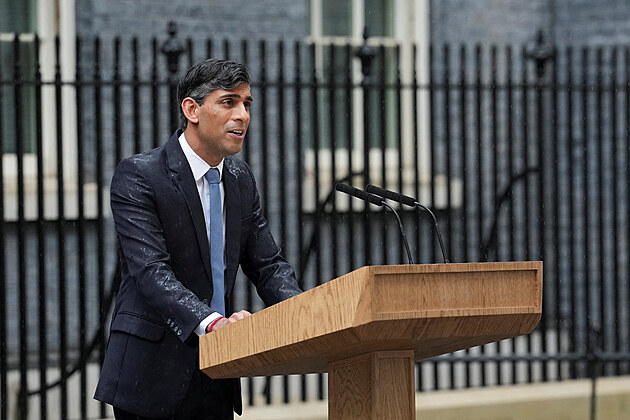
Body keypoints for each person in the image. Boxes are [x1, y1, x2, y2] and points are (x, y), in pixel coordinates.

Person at [94, 58, 302, 419]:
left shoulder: (240, 179)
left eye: (247, 104)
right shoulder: (139, 176)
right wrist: (215, 323)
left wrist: (308, 315)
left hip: (217, 372)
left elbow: (268, 265)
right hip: (151, 376)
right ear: (192, 109)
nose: (242, 115)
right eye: (228, 102)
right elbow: (152, 273)